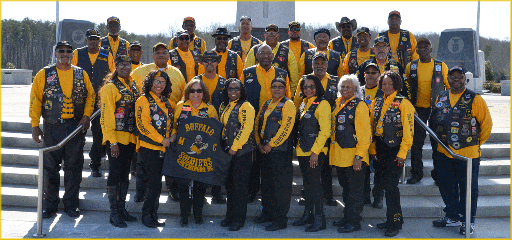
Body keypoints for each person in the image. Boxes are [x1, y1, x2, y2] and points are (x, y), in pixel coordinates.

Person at [30, 41, 95, 219]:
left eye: (68, 51)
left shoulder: (81, 74)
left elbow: (91, 95)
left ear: (72, 54)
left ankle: (71, 204)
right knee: (50, 168)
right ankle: (49, 204)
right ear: (55, 53)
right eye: (61, 51)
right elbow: (36, 99)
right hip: (52, 126)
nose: (64, 54)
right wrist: (35, 125)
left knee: (74, 167)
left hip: (74, 127)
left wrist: (87, 115)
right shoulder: (44, 73)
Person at [431, 66, 492, 235]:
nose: (456, 79)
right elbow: (434, 121)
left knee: (468, 189)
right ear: (448, 79)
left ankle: (468, 220)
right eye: (453, 77)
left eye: (460, 77)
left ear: (465, 79)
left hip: (468, 154)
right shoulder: (441, 97)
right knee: (446, 186)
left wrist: (475, 144)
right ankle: (452, 215)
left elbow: (486, 125)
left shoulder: (475, 99)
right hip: (444, 152)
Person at [131, 42, 186, 202]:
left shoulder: (177, 73)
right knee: (143, 166)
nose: (161, 55)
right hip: (147, 126)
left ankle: (172, 190)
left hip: (169, 126)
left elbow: (183, 95)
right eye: (158, 52)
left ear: (169, 55)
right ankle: (140, 192)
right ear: (152, 55)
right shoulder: (140, 71)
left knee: (169, 164)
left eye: (164, 52)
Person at [240, 44, 291, 202]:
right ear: (256, 56)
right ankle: (252, 190)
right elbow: (241, 96)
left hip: (275, 124)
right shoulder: (247, 73)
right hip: (252, 123)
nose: (265, 57)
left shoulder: (282, 73)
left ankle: (272, 194)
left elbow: (287, 96)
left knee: (272, 162)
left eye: (268, 54)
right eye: (262, 54)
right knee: (253, 160)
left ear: (273, 56)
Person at [369, 70, 414, 237]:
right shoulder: (377, 101)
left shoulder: (404, 103)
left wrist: (402, 154)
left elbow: (409, 133)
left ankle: (396, 222)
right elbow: (373, 128)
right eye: (384, 83)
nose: (386, 86)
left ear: (396, 85)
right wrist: (373, 149)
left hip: (395, 151)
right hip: (380, 149)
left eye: (390, 83)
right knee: (382, 185)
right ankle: (389, 219)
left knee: (391, 188)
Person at [171, 79, 219, 227]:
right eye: (192, 91)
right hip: (184, 152)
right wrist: (173, 136)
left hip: (202, 153)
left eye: (199, 91)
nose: (196, 94)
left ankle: (198, 215)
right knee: (183, 185)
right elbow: (173, 126)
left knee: (200, 185)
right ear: (188, 92)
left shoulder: (210, 109)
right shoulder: (181, 106)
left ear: (204, 93)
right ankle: (184, 215)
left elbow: (215, 131)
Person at [294, 52, 338, 207]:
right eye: (316, 63)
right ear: (312, 64)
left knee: (325, 167)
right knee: (310, 173)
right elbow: (298, 101)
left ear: (327, 64)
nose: (319, 66)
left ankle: (328, 195)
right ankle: (308, 197)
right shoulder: (305, 80)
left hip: (329, 126)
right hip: (310, 126)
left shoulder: (335, 80)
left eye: (322, 63)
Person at [100, 55, 140, 228]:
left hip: (130, 138)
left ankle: (122, 208)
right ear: (116, 67)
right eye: (122, 65)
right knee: (115, 175)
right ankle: (114, 212)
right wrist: (112, 141)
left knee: (125, 175)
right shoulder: (110, 87)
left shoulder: (132, 84)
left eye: (128, 64)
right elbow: (106, 115)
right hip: (116, 139)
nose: (125, 67)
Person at [405, 37, 449, 185]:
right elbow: (406, 88)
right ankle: (417, 173)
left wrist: (447, 108)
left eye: (426, 46)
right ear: (416, 50)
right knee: (416, 143)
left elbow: (449, 88)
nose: (423, 49)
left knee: (437, 142)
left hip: (436, 109)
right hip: (417, 110)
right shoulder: (411, 66)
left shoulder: (440, 66)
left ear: (431, 49)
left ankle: (438, 175)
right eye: (420, 47)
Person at [330, 74, 372, 233]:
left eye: (348, 86)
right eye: (343, 86)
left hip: (354, 157)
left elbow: (365, 134)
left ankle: (354, 222)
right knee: (346, 189)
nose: (345, 89)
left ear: (355, 88)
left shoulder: (359, 105)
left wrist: (359, 157)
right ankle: (347, 216)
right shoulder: (337, 103)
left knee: (355, 191)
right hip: (340, 156)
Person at [253, 78, 296, 231]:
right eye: (274, 87)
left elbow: (286, 128)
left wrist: (271, 145)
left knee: (280, 187)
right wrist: (258, 142)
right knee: (267, 185)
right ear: (270, 89)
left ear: (285, 89)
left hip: (280, 152)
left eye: (280, 87)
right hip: (264, 151)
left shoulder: (288, 104)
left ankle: (280, 219)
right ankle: (267, 214)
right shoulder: (266, 104)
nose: (277, 89)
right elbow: (257, 123)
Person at [71, 29, 115, 178]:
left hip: (99, 101)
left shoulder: (106, 54)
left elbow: (112, 75)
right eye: (90, 39)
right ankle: (73, 162)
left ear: (99, 41)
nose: (93, 42)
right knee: (77, 133)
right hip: (80, 100)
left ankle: (95, 164)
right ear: (86, 40)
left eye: (96, 39)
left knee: (98, 134)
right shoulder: (77, 53)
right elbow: (70, 72)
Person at [135, 70, 175, 228]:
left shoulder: (166, 101)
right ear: (150, 82)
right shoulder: (143, 100)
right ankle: (147, 215)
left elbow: (171, 123)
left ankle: (153, 214)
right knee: (153, 184)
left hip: (163, 149)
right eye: (156, 81)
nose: (159, 85)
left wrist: (172, 136)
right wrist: (162, 139)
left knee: (157, 184)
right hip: (149, 148)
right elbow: (143, 126)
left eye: (162, 82)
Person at [292, 74, 330, 232]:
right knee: (307, 185)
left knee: (315, 185)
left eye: (312, 86)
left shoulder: (323, 103)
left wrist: (315, 153)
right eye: (305, 87)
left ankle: (320, 219)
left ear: (318, 87)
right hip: (302, 150)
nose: (308, 89)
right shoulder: (303, 103)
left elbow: (325, 130)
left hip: (315, 152)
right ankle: (308, 214)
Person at [218, 78, 255, 231]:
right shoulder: (224, 106)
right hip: (227, 152)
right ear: (226, 91)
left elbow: (246, 129)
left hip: (242, 153)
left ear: (242, 91)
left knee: (240, 187)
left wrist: (235, 147)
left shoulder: (246, 106)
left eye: (237, 89)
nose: (234, 92)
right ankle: (229, 216)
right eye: (230, 89)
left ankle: (238, 220)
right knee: (230, 186)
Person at [194, 50, 227, 204]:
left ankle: (217, 192)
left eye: (212, 60)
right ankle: (198, 193)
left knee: (217, 161)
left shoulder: (224, 83)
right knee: (199, 159)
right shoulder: (195, 81)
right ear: (201, 63)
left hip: (218, 128)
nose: (209, 63)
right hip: (198, 128)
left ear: (217, 63)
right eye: (206, 60)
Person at [245, 24, 299, 96]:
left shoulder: (287, 51)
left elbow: (294, 75)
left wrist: (291, 94)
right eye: (269, 33)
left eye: (274, 33)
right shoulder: (255, 50)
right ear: (264, 35)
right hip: (257, 93)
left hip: (279, 95)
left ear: (278, 35)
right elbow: (247, 72)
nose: (271, 35)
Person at [360, 63, 385, 208]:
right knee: (363, 167)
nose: (370, 75)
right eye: (368, 72)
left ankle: (378, 196)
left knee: (379, 168)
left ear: (378, 75)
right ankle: (365, 194)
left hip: (379, 136)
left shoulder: (384, 91)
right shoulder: (359, 91)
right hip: (362, 135)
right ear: (364, 75)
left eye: (374, 72)